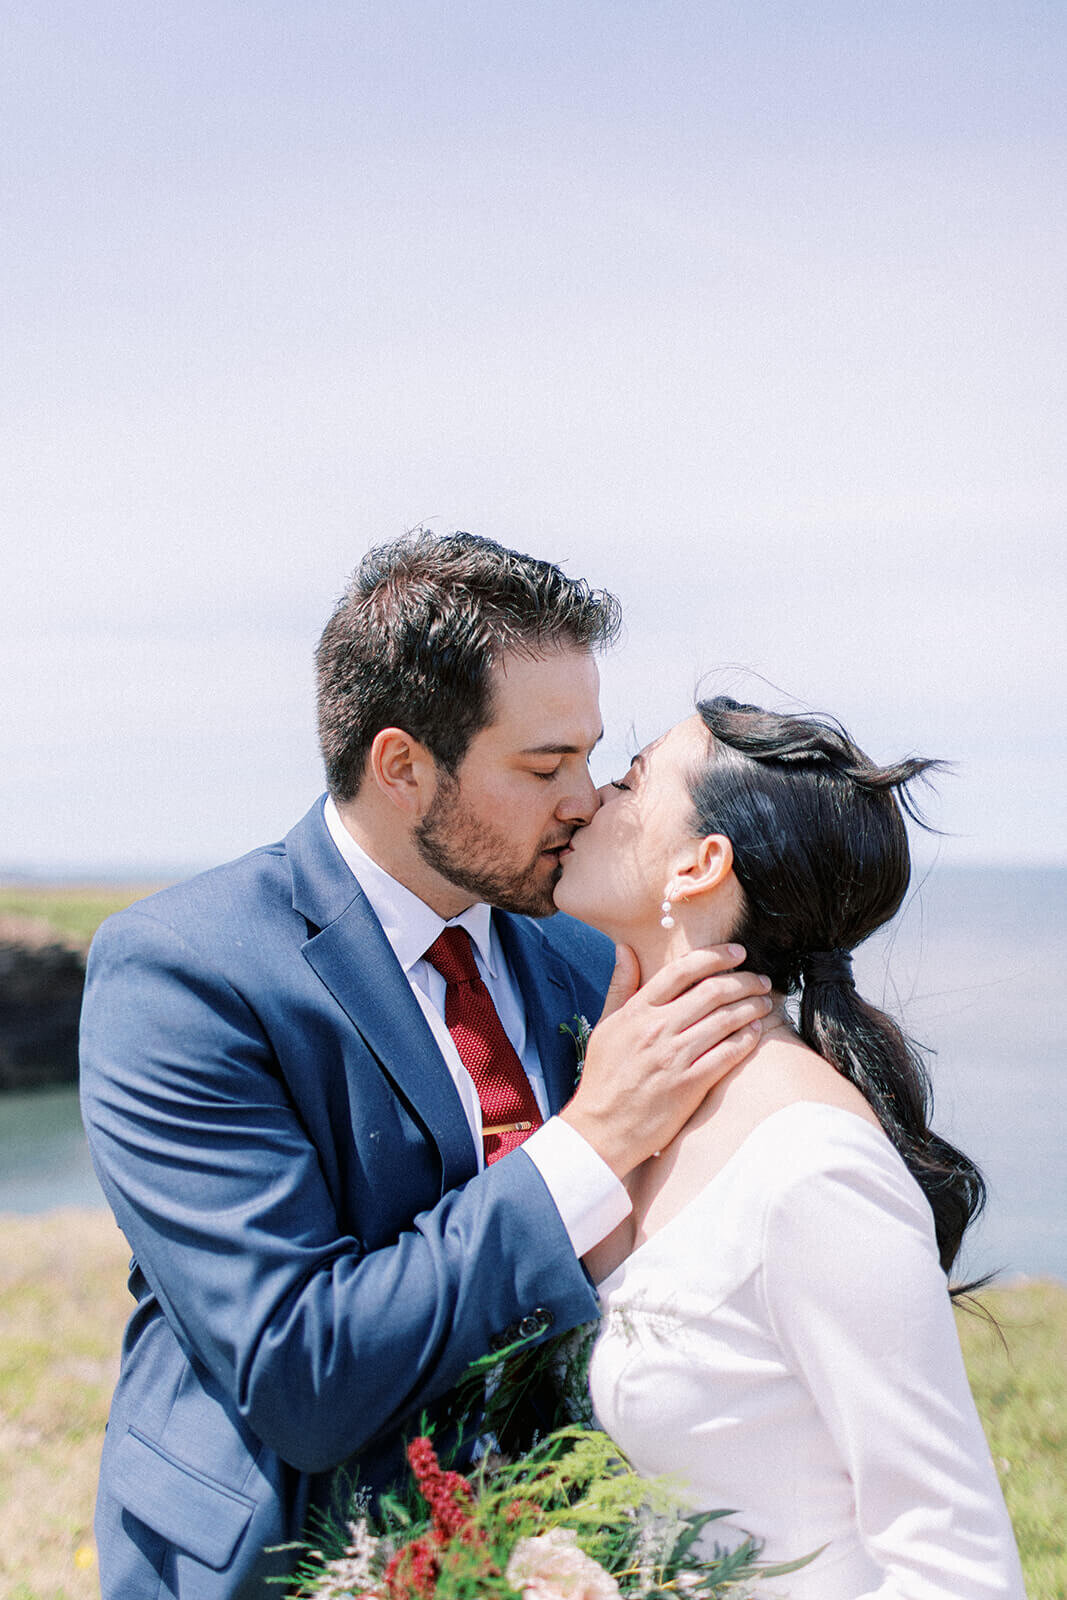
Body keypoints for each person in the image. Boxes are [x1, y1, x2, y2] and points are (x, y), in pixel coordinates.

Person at [78, 533, 771, 1600]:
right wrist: (588, 1141)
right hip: (278, 1556)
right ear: (401, 766)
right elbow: (299, 1370)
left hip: (563, 1549)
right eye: (542, 766)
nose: (584, 799)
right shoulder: (180, 975)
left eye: (588, 754)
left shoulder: (589, 956)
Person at [557, 699, 1028, 1600]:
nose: (587, 801)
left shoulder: (810, 1167)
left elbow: (959, 1564)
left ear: (700, 866)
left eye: (627, 782)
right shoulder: (641, 1108)